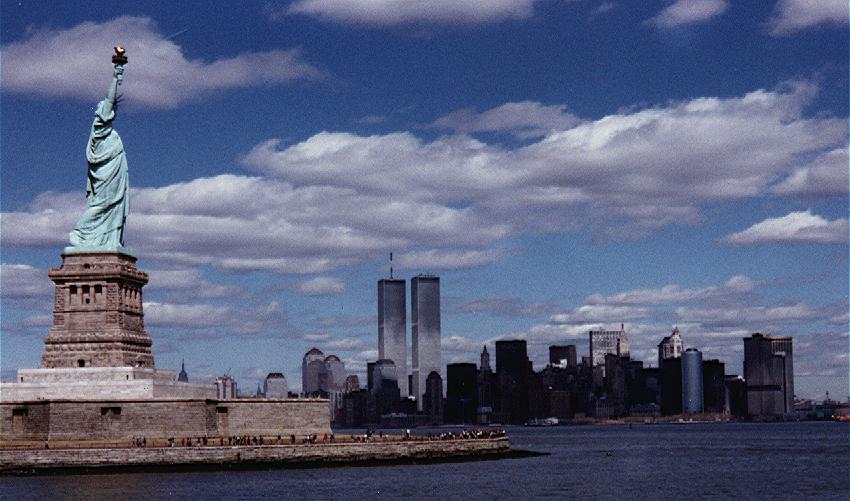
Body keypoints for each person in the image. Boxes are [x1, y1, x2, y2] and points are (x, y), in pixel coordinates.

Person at [69, 60, 129, 250]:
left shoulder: (110, 133)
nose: (102, 109)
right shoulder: (99, 129)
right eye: (104, 108)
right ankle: (80, 232)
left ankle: (108, 240)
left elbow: (110, 103)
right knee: (102, 204)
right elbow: (110, 100)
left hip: (114, 176)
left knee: (111, 206)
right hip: (105, 175)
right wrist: (116, 77)